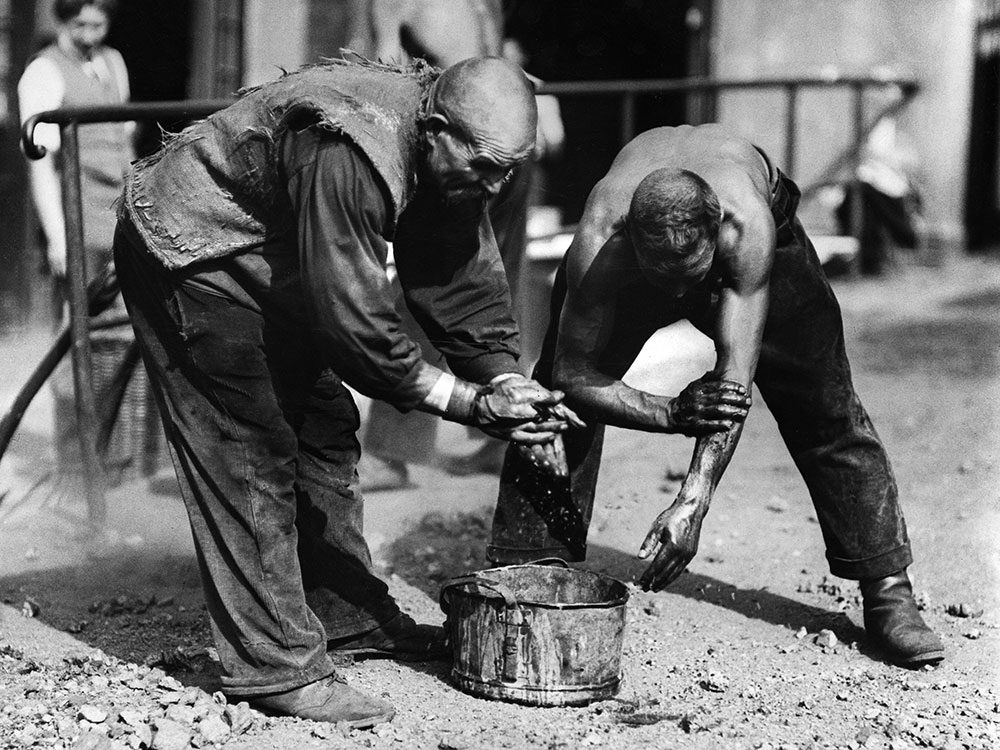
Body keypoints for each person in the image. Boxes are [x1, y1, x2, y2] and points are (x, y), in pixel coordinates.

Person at [113, 55, 581, 728]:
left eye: (512, 166)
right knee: (251, 443)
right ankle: (274, 666)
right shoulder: (351, 150)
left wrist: (504, 376)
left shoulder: (453, 159)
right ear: (438, 128)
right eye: (485, 166)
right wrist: (469, 404)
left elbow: (455, 274)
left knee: (325, 427)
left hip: (269, 249)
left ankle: (346, 615)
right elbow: (353, 323)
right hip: (194, 247)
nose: (498, 184)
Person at [488, 123, 944, 669]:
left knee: (823, 402)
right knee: (556, 405)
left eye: (692, 278)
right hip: (650, 253)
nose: (681, 298)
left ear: (717, 235)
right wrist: (670, 411)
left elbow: (734, 379)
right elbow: (572, 373)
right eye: (666, 281)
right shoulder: (601, 245)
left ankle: (888, 589)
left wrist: (693, 499)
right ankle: (530, 563)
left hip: (753, 219)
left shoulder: (746, 228)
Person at [350, 0, 564, 488]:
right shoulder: (475, 6)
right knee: (493, 293)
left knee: (431, 290)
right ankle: (504, 439)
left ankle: (388, 453)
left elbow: (383, 78)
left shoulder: (420, 4)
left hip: (473, 153)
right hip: (503, 149)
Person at [18, 0, 138, 471]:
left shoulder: (113, 62)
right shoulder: (43, 73)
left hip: (118, 221)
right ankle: (76, 458)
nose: (90, 33)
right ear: (63, 23)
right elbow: (41, 165)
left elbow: (123, 137)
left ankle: (118, 451)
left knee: (122, 336)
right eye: (80, 24)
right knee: (77, 339)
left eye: (99, 23)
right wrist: (56, 236)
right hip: (78, 222)